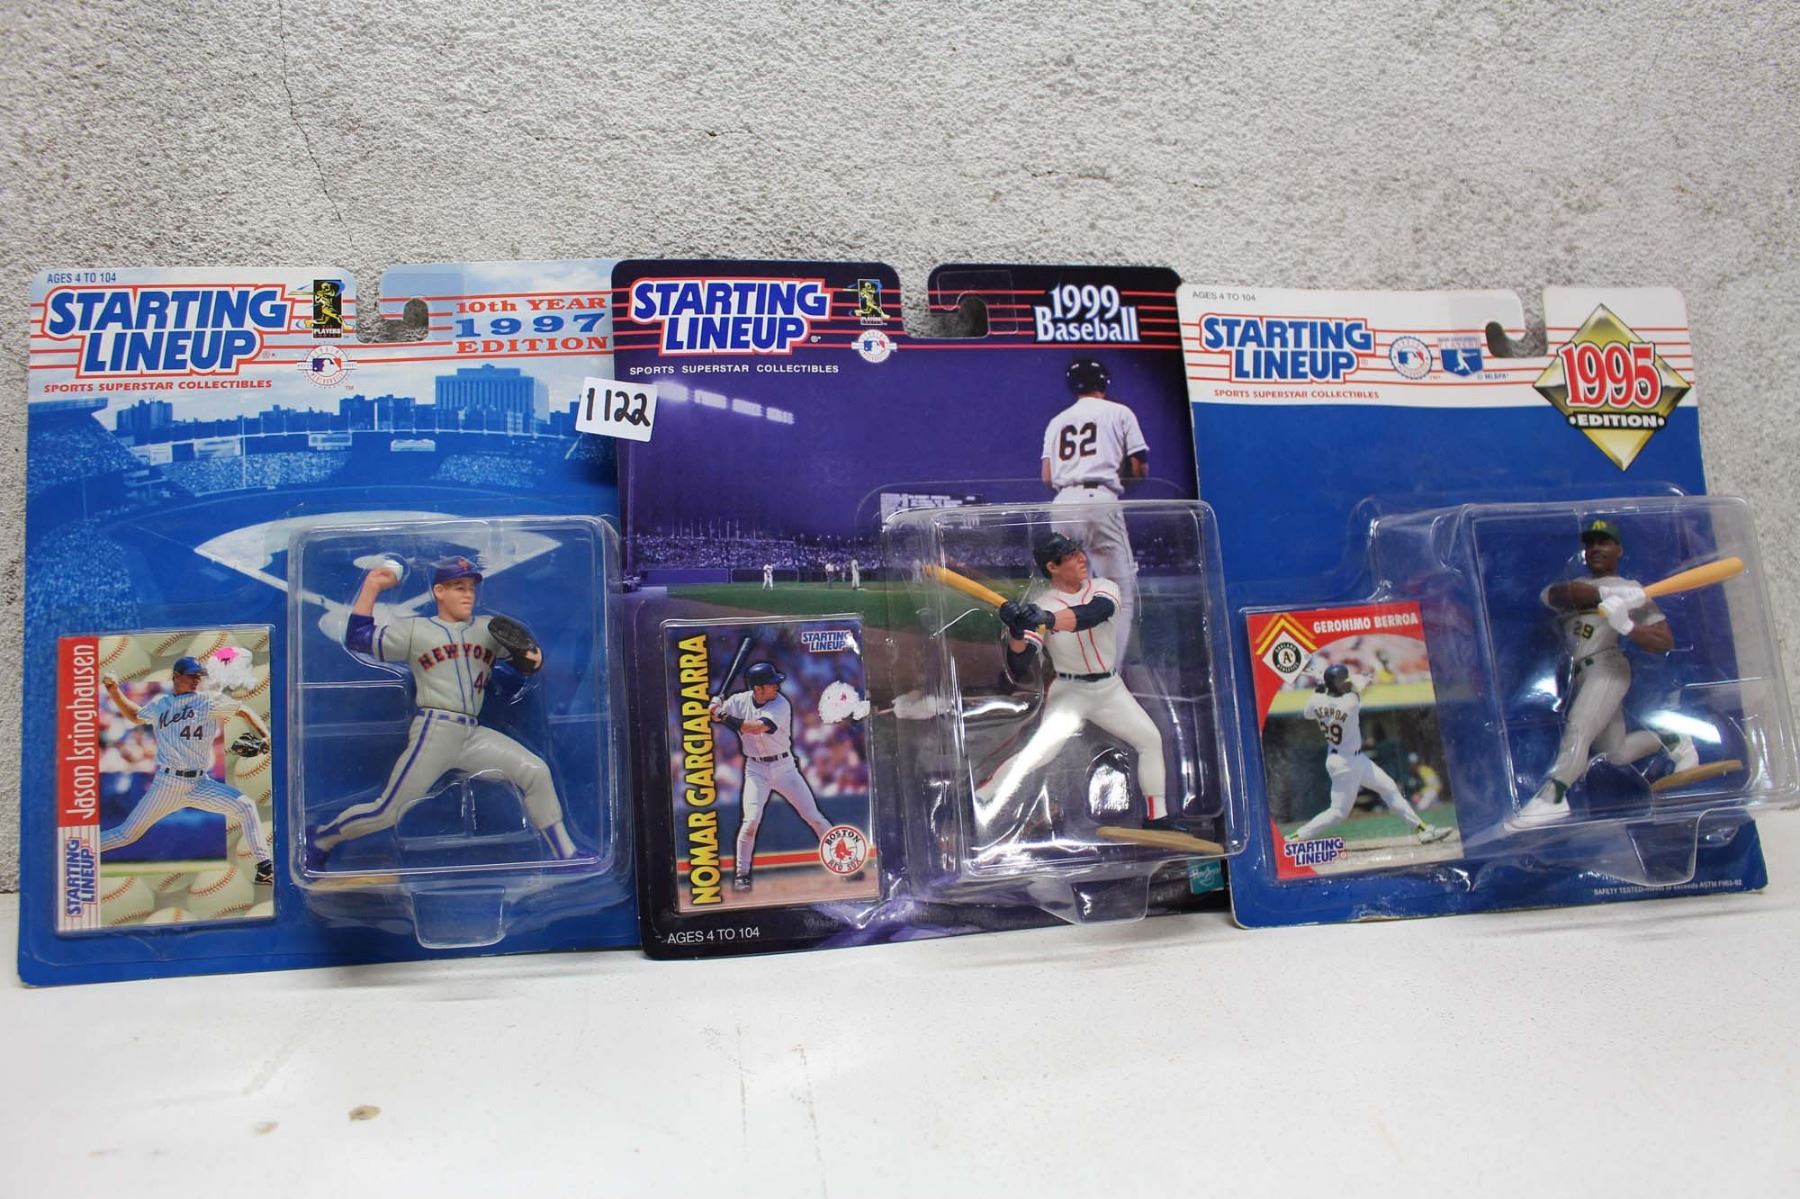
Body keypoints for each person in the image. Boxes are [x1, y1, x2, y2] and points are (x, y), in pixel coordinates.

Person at [308, 556, 578, 867]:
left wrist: (531, 656)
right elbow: (359, 639)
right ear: (439, 591)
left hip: (471, 733)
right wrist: (371, 586)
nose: (468, 595)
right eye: (459, 587)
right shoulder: (416, 630)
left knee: (535, 772)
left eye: (471, 588)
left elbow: (528, 662)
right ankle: (321, 838)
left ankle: (566, 855)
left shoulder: (487, 628)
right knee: (387, 812)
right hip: (435, 731)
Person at [1519, 520, 1697, 825]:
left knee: (1578, 729)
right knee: (1615, 753)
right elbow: (1552, 596)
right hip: (1580, 674)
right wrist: (1606, 595)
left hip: (1607, 668)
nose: (1596, 549)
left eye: (1604, 542)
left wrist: (1626, 625)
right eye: (1590, 544)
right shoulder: (1580, 586)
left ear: (1619, 550)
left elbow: (1663, 641)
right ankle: (1673, 740)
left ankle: (1554, 795)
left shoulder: (1633, 591)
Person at [99, 657, 274, 883]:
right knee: (126, 834)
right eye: (191, 675)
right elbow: (135, 716)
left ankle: (265, 867)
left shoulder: (208, 702)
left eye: (199, 675)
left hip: (200, 784)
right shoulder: (161, 704)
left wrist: (266, 737)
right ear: (176, 676)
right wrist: (114, 691)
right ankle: (79, 850)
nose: (196, 679)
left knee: (246, 806)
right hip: (167, 784)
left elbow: (243, 710)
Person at [1285, 665, 1450, 845]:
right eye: (1343, 681)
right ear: (1337, 683)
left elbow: (1308, 713)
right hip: (1346, 764)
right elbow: (1359, 686)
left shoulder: (1317, 700)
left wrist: (1320, 684)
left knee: (1389, 788)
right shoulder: (1350, 702)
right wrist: (1363, 678)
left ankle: (1422, 829)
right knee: (1338, 813)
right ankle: (1295, 838)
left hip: (1349, 759)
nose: (1347, 683)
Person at [710, 661, 833, 890]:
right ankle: (742, 875)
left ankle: (844, 862)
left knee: (814, 816)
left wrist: (722, 714)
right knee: (750, 822)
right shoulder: (738, 701)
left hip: (784, 767)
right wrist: (715, 707)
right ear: (758, 688)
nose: (777, 686)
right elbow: (716, 716)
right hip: (755, 769)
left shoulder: (781, 703)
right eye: (771, 683)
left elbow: (755, 727)